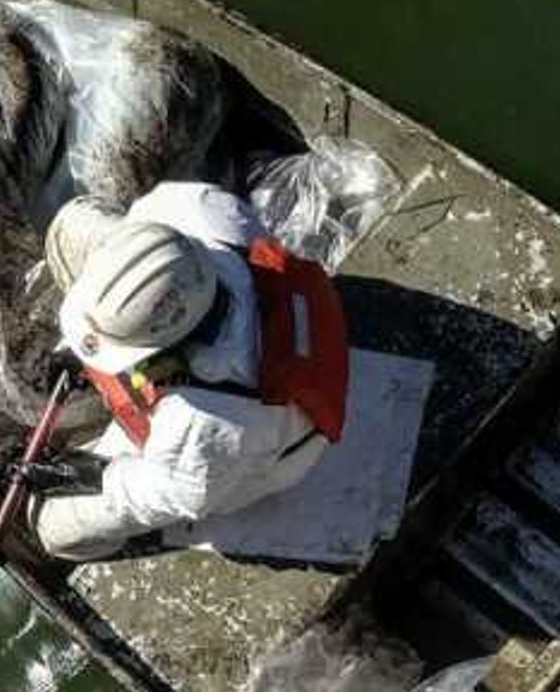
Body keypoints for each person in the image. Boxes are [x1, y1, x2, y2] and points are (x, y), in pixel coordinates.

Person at [28, 181, 351, 560]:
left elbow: (173, 491)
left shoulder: (207, 425)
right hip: (260, 354)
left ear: (171, 350)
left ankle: (125, 543)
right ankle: (114, 329)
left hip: (264, 461)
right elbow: (142, 224)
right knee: (74, 221)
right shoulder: (200, 211)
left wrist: (86, 474)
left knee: (49, 525)